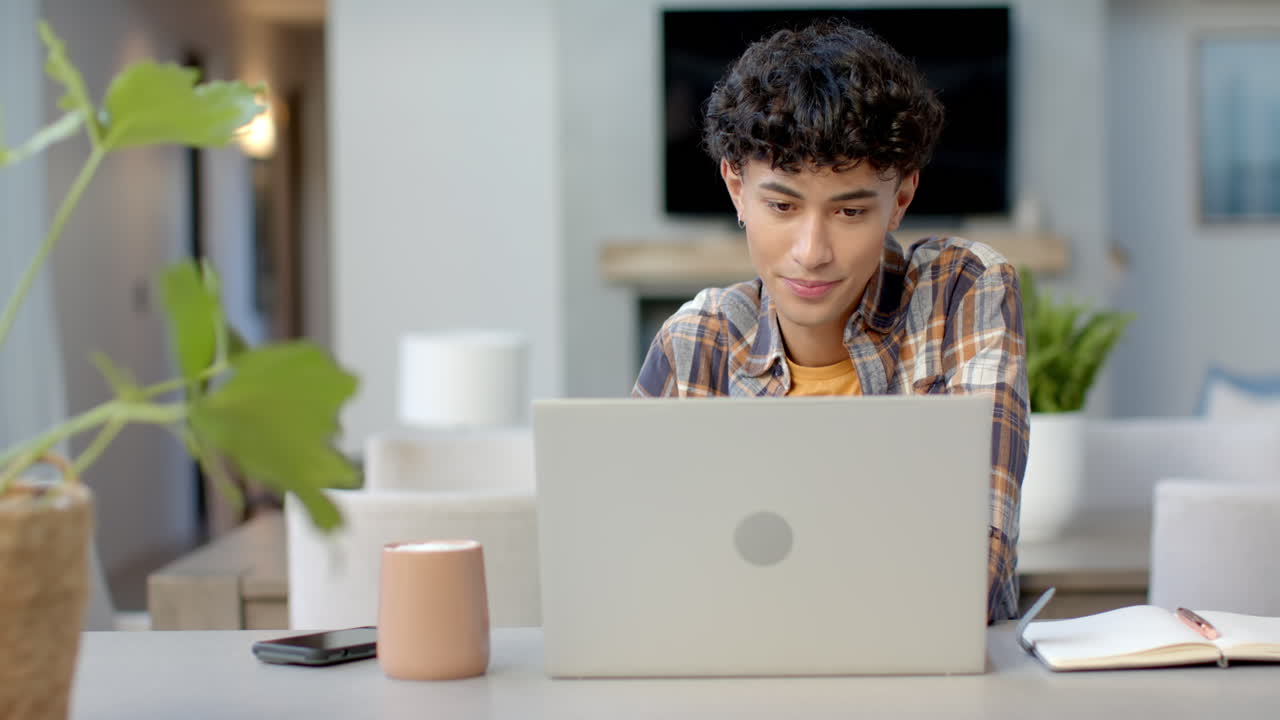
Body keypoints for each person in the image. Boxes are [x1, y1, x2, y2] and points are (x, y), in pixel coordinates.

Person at [632, 21, 1029, 624]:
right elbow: (642, 578)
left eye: (849, 210)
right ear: (736, 188)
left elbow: (970, 570)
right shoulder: (696, 343)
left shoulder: (961, 290)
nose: (812, 251)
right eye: (783, 206)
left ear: (901, 198)